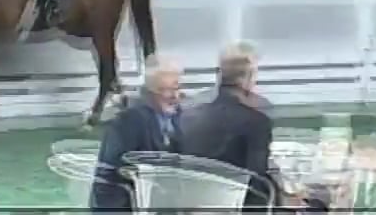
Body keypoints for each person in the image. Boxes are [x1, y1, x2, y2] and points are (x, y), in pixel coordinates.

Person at [179, 43, 277, 210]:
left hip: (193, 206)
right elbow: (256, 180)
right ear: (248, 78)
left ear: (220, 75)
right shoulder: (257, 122)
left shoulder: (187, 117)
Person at [90, 57, 183, 211]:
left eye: (177, 88)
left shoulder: (181, 115)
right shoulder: (126, 123)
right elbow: (108, 180)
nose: (175, 96)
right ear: (150, 92)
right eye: (166, 90)